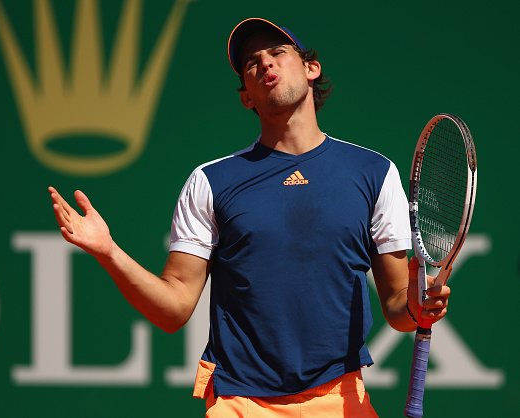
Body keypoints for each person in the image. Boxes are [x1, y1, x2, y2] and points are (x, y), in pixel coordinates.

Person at [48, 18, 451, 417]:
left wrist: (419, 305)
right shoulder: (210, 182)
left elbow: (398, 308)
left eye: (278, 53)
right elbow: (173, 310)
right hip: (238, 403)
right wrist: (108, 251)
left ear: (311, 69)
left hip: (339, 398)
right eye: (252, 64)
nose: (266, 65)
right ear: (247, 96)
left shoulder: (374, 173)